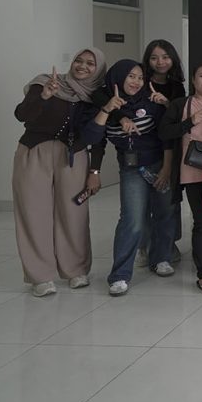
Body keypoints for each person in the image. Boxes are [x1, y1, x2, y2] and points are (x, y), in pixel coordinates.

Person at [11, 48, 106, 297]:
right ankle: (40, 276)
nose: (82, 66)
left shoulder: (96, 96)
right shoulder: (44, 82)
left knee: (74, 213)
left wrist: (95, 170)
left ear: (98, 69)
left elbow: (98, 138)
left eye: (90, 63)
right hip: (34, 152)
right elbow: (21, 114)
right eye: (78, 60)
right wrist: (44, 96)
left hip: (74, 156)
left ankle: (76, 270)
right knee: (34, 213)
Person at [85, 59, 176, 296]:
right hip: (131, 169)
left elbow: (167, 138)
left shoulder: (151, 102)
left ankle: (161, 258)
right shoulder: (105, 105)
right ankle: (120, 275)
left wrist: (167, 169)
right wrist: (109, 110)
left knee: (164, 213)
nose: (136, 82)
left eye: (140, 77)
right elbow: (94, 141)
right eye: (131, 76)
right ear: (118, 77)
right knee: (132, 220)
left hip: (159, 164)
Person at [158, 61, 202, 294]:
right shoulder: (181, 104)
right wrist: (189, 122)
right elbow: (164, 132)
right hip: (193, 172)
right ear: (193, 79)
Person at [141, 39, 187, 266]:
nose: (160, 62)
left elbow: (178, 119)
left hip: (169, 148)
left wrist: (167, 104)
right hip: (144, 148)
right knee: (144, 204)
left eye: (165, 57)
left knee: (169, 201)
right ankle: (145, 245)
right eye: (154, 57)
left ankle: (168, 244)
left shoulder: (177, 86)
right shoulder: (139, 82)